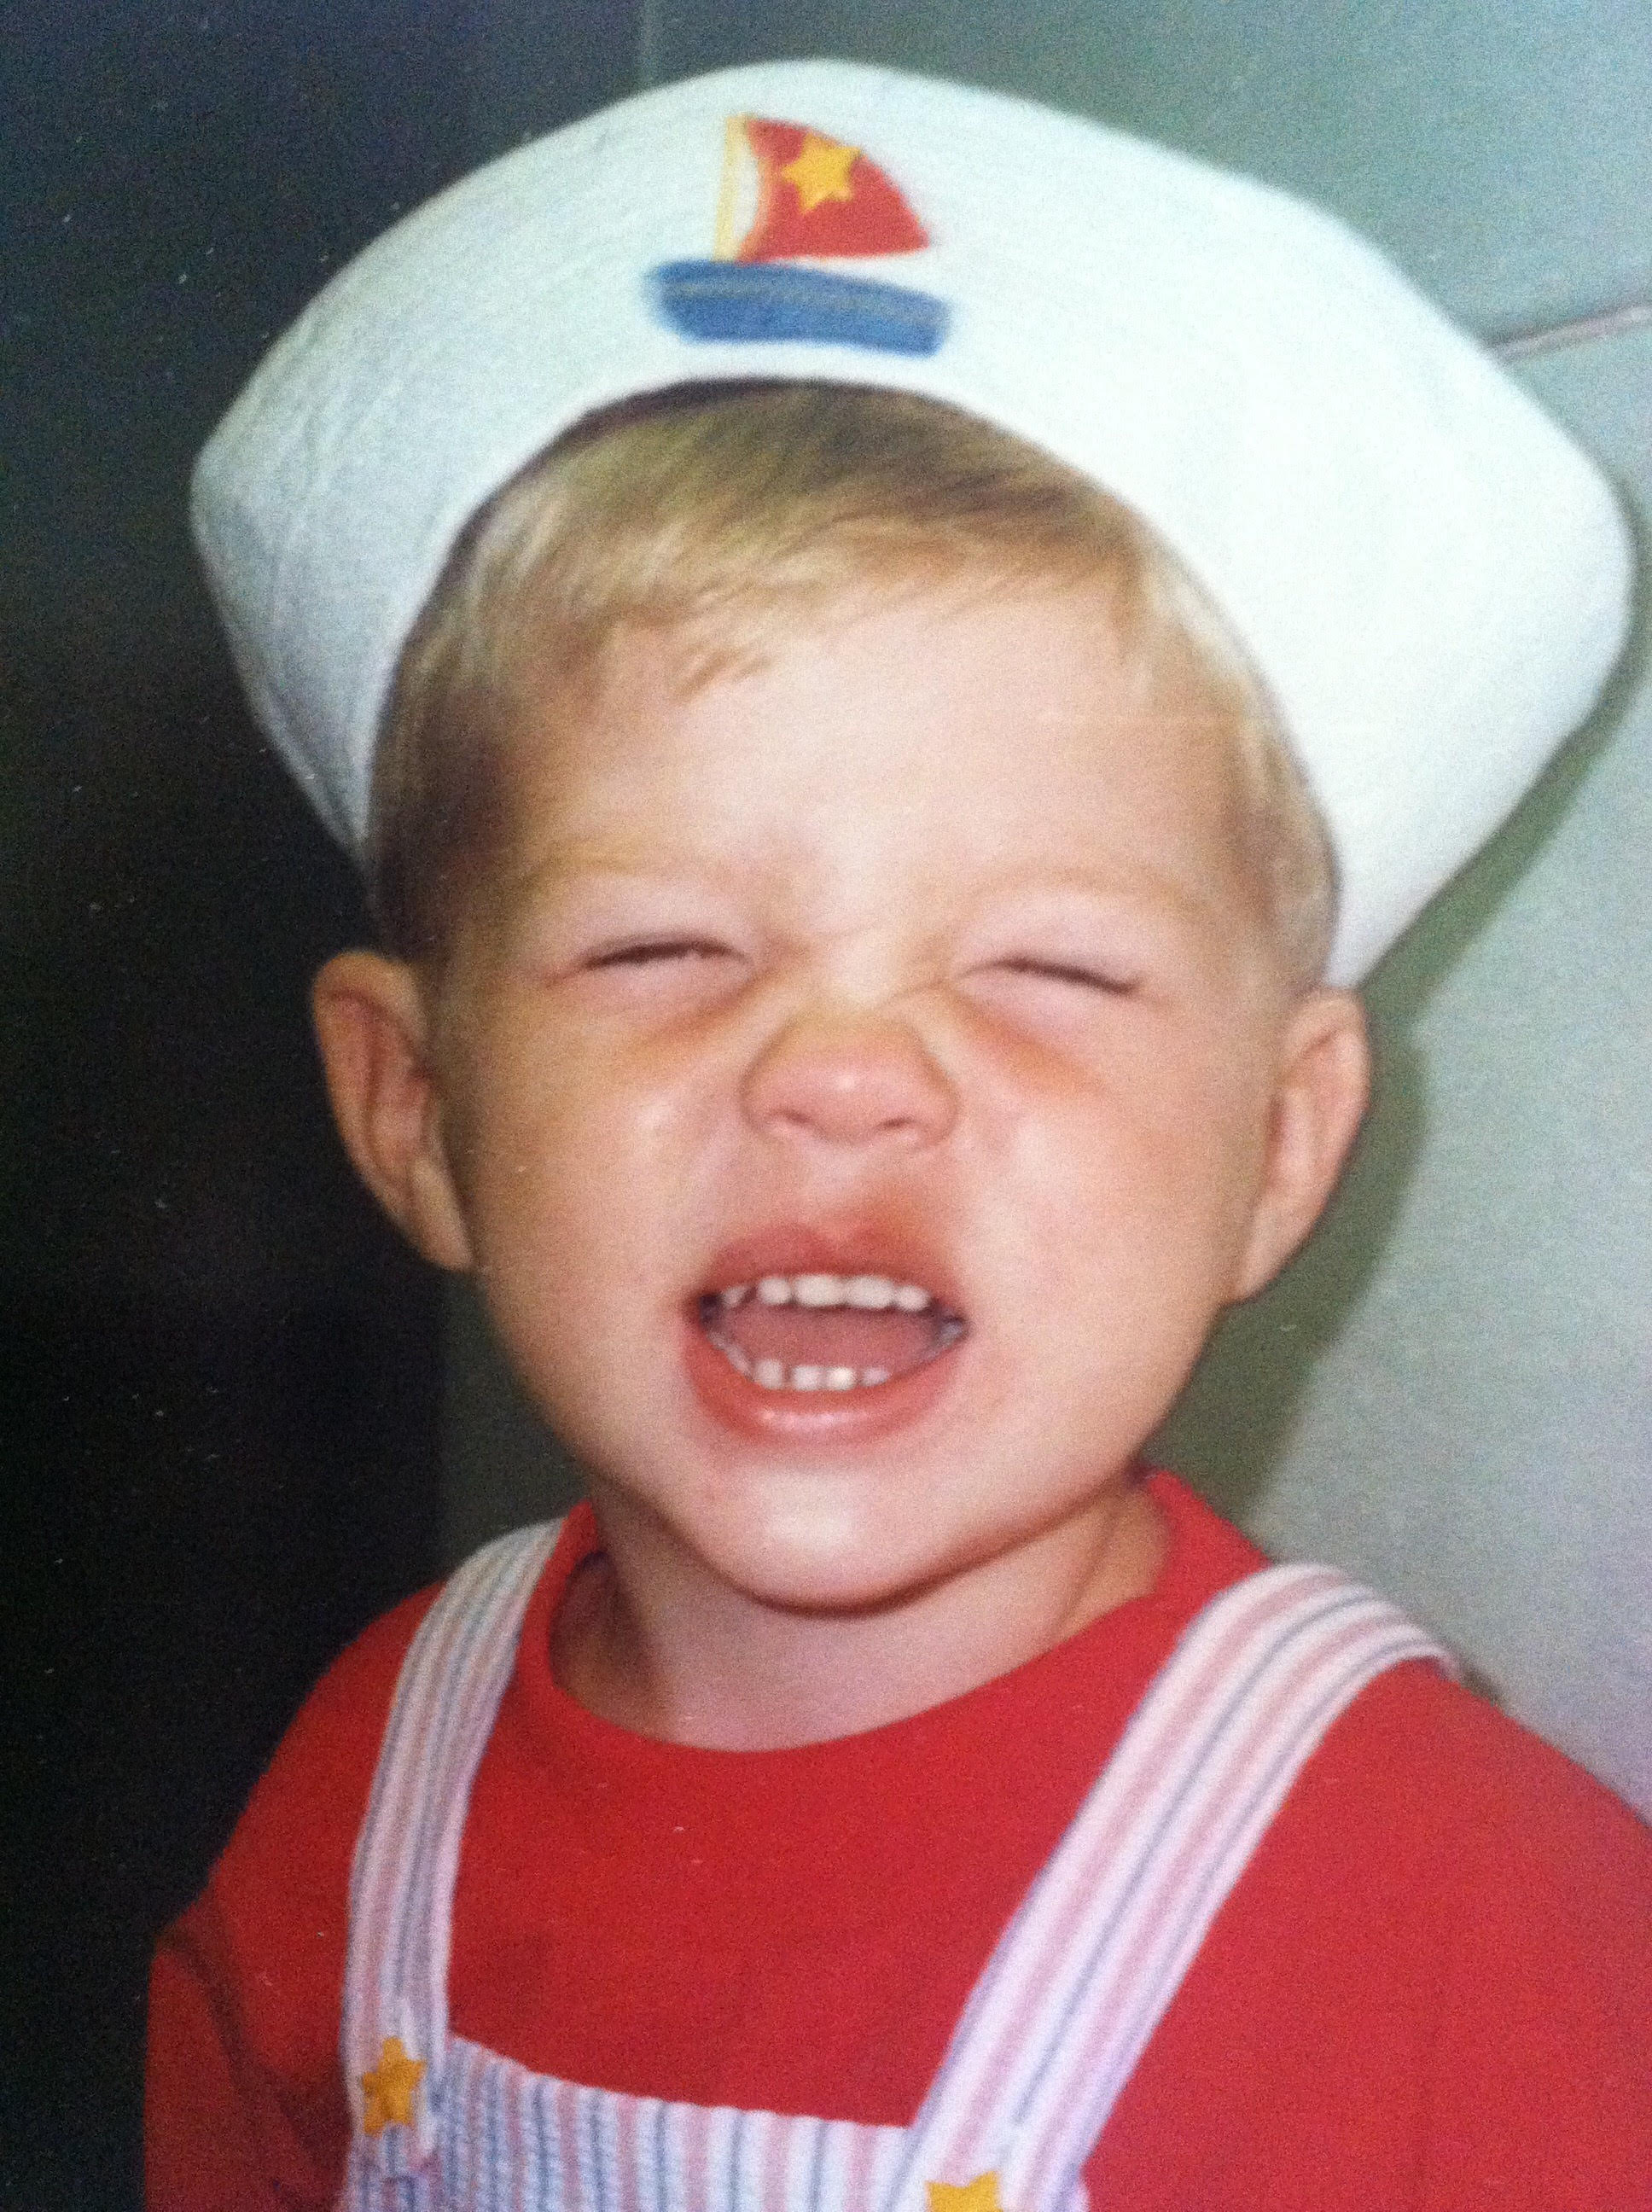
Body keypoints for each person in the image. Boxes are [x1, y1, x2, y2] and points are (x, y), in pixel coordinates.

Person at [148, 59, 1649, 2212]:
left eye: (1046, 967)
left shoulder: (1477, 1927)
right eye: (662, 946)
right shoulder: (367, 1776)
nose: (841, 1070)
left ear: (1281, 1145)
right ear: (418, 1111)